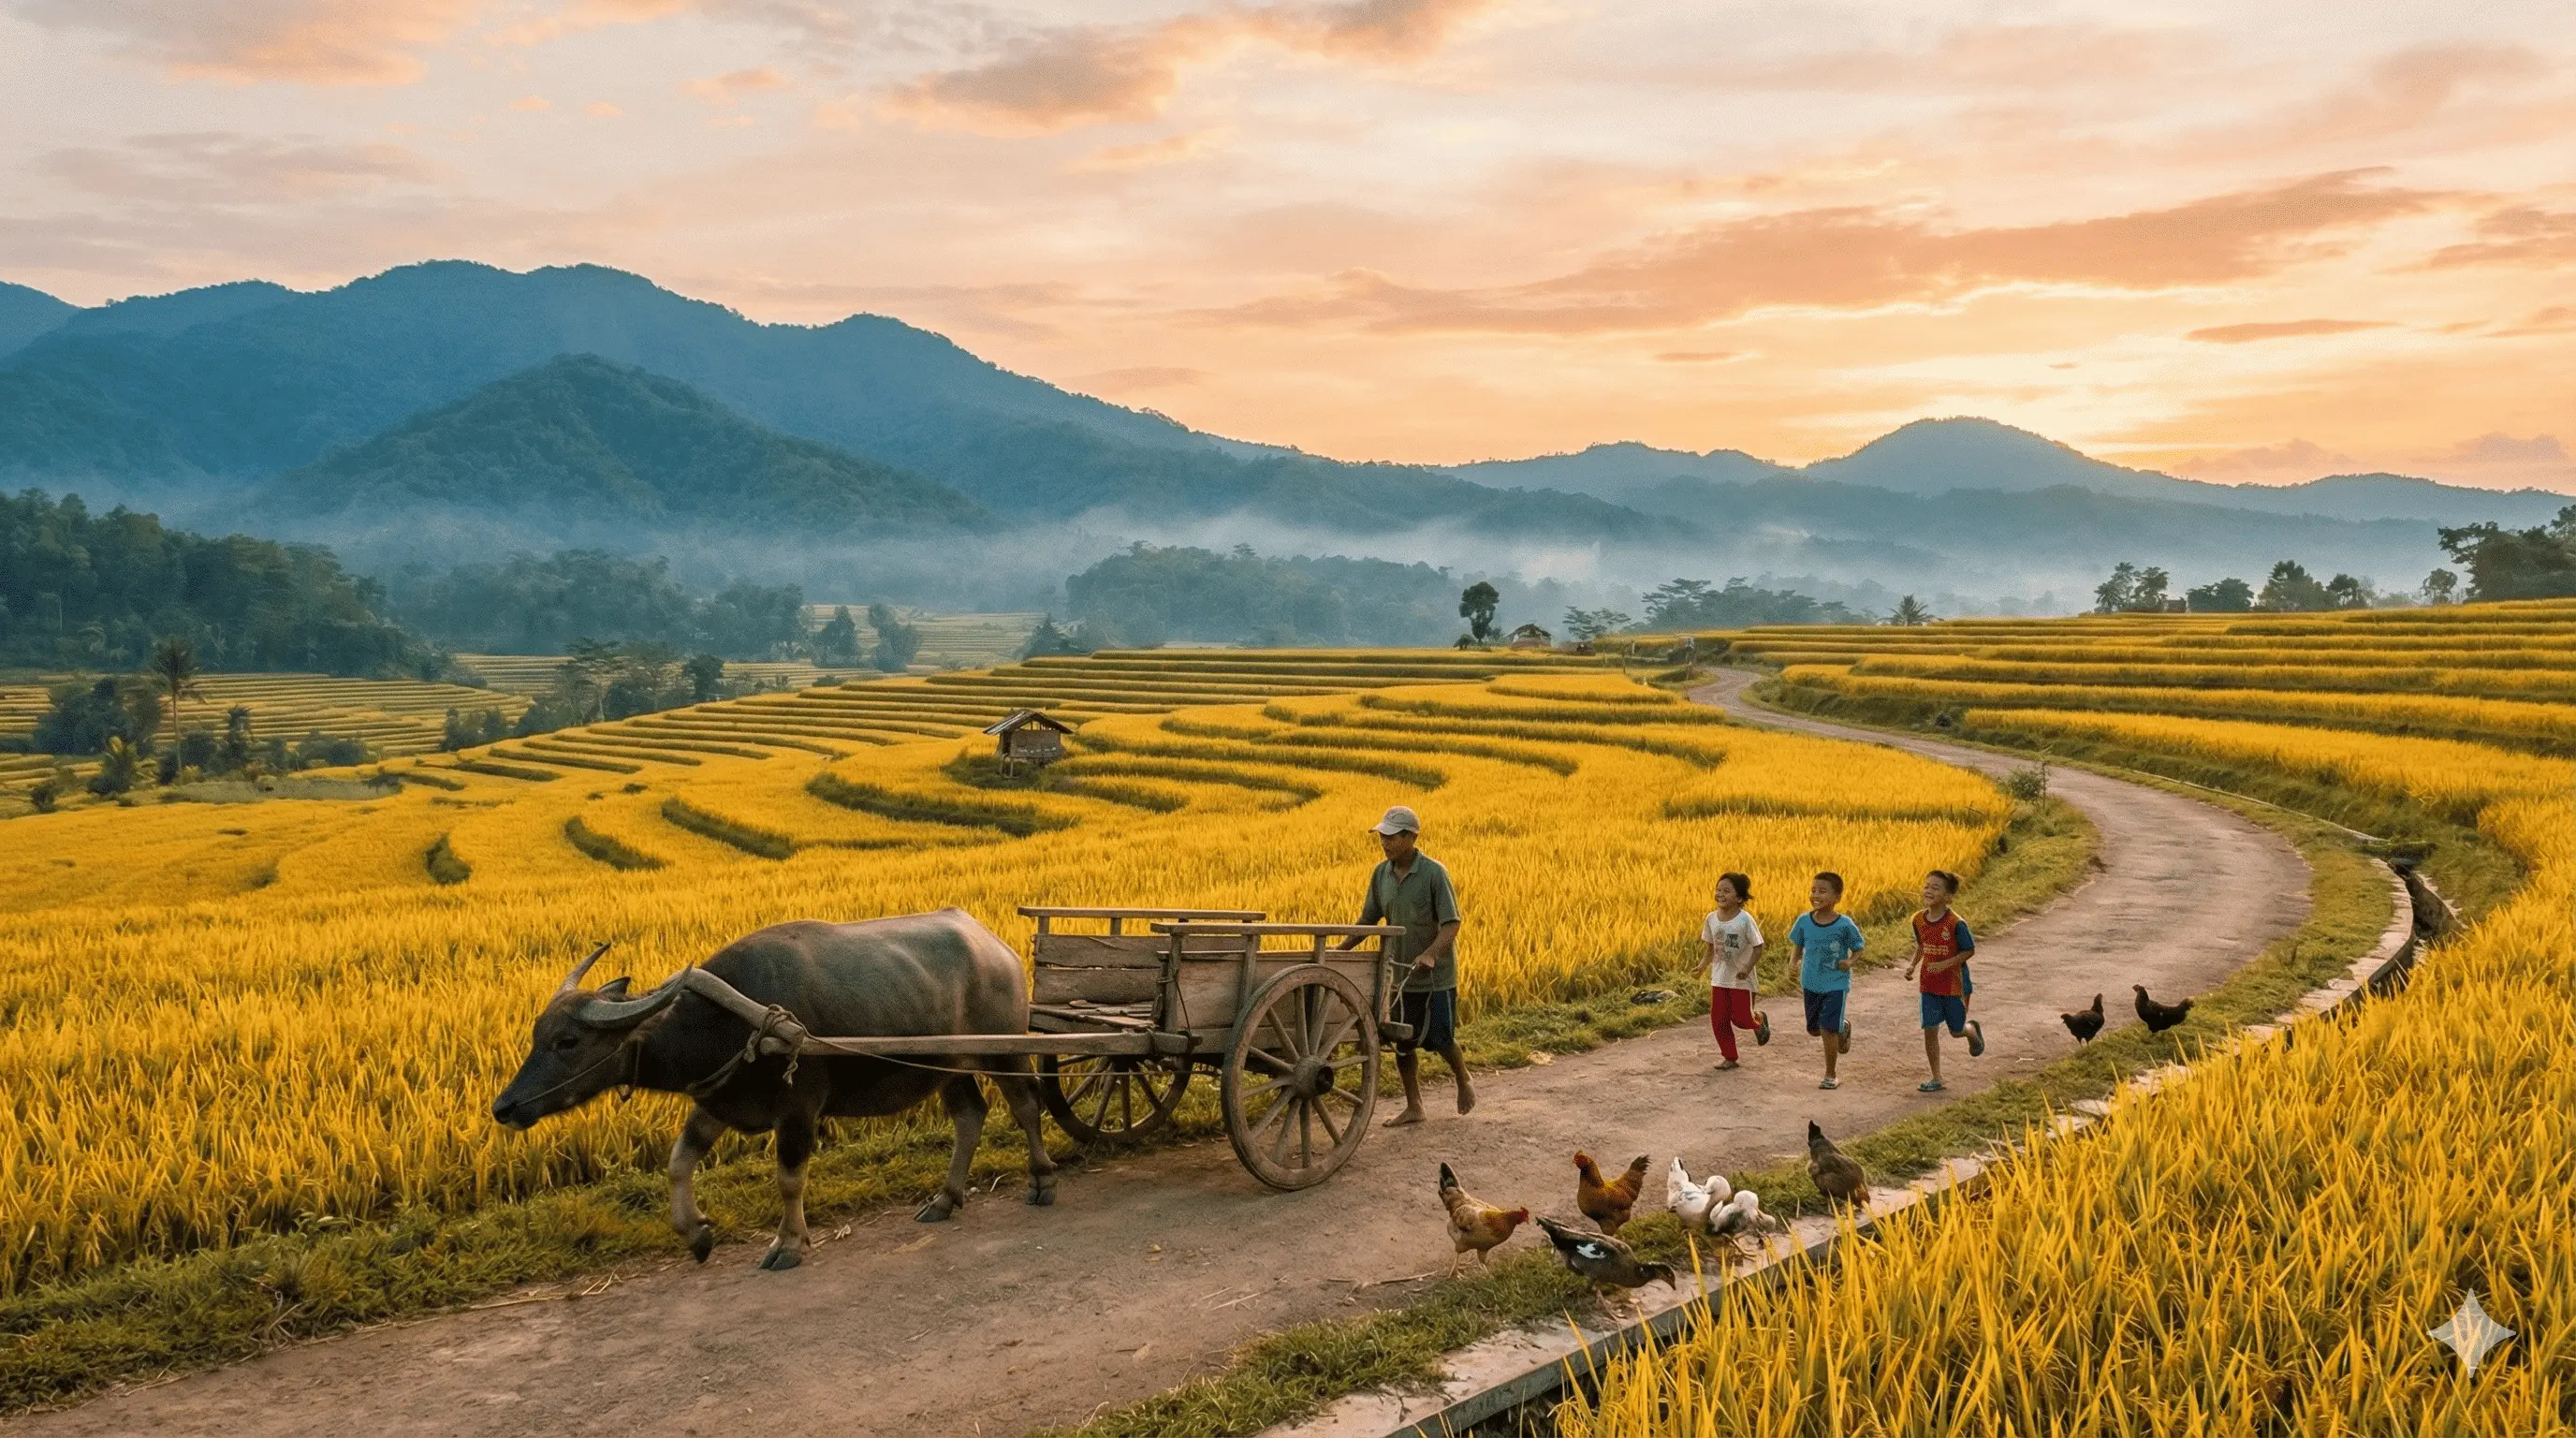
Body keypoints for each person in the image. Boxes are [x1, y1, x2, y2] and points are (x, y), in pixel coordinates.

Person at [1342, 804, 1471, 1125]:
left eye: (1391, 837)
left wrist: (1431, 953)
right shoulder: (1380, 874)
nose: (1384, 843)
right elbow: (1368, 919)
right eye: (1382, 837)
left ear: (1411, 837)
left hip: (1434, 975)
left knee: (1441, 1037)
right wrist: (1341, 949)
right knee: (1402, 1041)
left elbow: (1451, 923)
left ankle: (1463, 1076)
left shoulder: (1433, 873)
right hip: (1398, 975)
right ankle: (1415, 1106)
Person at [1902, 869, 1984, 1092]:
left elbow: (1969, 951)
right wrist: (1912, 965)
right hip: (1928, 985)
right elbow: (1921, 946)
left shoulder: (1957, 924)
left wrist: (1945, 964)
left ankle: (1971, 1031)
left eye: (1935, 888)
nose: (1928, 890)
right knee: (1930, 1029)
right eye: (1926, 886)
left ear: (1948, 897)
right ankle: (1936, 1077)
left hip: (1954, 986)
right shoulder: (1918, 919)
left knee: (1955, 1031)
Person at [1788, 872, 1863, 1090]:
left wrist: (1850, 962)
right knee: (1814, 1029)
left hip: (1836, 984)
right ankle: (1843, 1027)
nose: (1816, 895)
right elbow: (1798, 945)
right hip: (1811, 982)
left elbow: (1859, 948)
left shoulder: (1845, 925)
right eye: (1813, 890)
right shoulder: (1804, 921)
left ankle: (1830, 1075)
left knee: (1827, 1029)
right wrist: (1793, 964)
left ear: (1837, 897)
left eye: (1822, 891)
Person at [1703, 872, 1769, 1070]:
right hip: (1720, 978)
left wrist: (1748, 968)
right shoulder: (1711, 919)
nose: (1720, 894)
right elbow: (1710, 948)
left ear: (1739, 898)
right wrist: (1701, 966)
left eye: (1726, 891)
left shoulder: (1745, 920)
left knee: (1741, 1020)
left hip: (1741, 979)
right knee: (1718, 1019)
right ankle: (1730, 1057)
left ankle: (1759, 1019)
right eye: (1718, 889)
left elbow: (1759, 947)